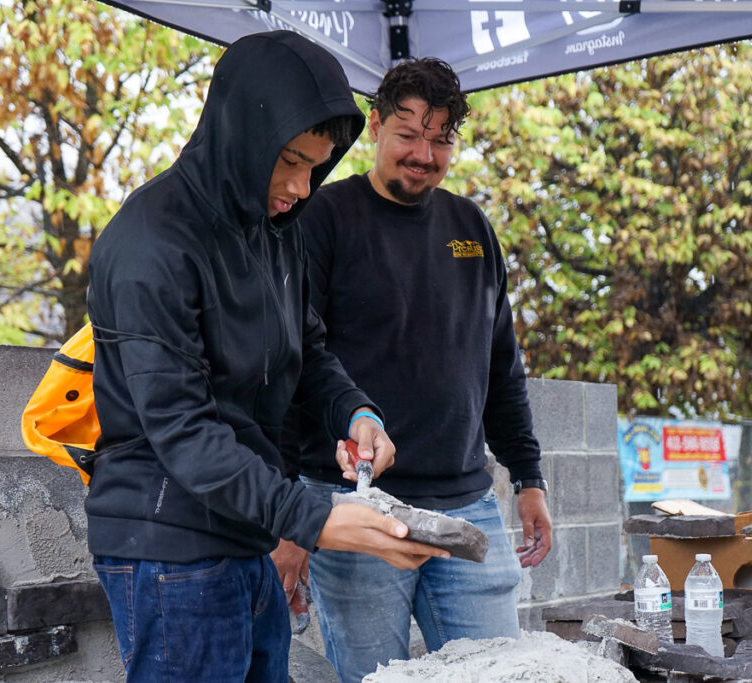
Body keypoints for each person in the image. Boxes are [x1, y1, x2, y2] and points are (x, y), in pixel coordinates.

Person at [85, 32, 448, 683]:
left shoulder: (274, 228)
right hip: (171, 548)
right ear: (240, 135)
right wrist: (316, 517)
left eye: (318, 165)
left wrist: (356, 412)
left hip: (247, 532)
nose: (300, 187)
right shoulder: (150, 243)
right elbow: (182, 431)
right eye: (287, 161)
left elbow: (306, 353)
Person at [275, 57, 554, 683]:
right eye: (408, 134)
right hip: (356, 505)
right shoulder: (321, 218)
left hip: (468, 506)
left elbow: (501, 368)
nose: (423, 153)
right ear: (374, 127)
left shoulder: (471, 229)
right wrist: (293, 519)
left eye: (440, 138)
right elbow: (294, 367)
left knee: (500, 675)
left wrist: (529, 478)